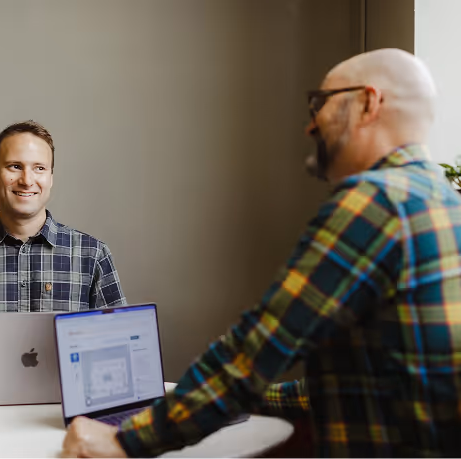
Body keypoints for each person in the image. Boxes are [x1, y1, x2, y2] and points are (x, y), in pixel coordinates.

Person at [61, 48, 461, 458]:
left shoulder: (374, 202)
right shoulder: (441, 199)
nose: (310, 126)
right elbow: (372, 379)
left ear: (368, 102)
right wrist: (249, 400)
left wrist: (124, 441)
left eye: (318, 104)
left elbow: (255, 351)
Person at [0, 120, 127, 390]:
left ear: (51, 176)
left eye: (39, 168)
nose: (27, 180)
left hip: (68, 416)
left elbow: (118, 341)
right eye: (14, 166)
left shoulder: (93, 255)